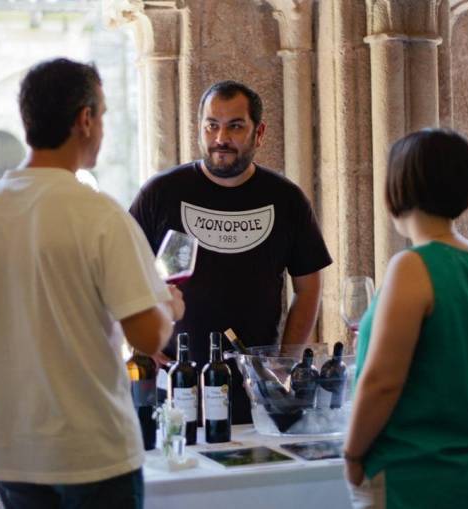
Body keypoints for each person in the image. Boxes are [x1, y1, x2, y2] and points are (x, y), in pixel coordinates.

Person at [0, 58, 184, 509]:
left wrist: (7, 416)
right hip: (92, 454)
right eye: (103, 116)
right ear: (85, 119)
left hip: (12, 455)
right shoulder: (98, 214)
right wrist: (170, 307)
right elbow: (147, 334)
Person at [129, 80, 332, 424]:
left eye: (235, 126)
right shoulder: (161, 193)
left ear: (259, 131)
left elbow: (309, 288)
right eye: (212, 126)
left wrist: (284, 362)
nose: (221, 138)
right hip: (174, 383)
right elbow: (122, 274)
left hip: (255, 389)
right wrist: (144, 347)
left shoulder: (286, 199)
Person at [343, 129, 468, 508]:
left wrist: (351, 454)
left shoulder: (413, 266)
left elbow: (382, 381)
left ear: (397, 187)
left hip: (413, 476)